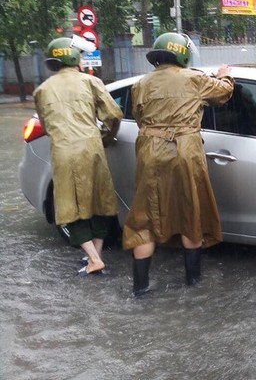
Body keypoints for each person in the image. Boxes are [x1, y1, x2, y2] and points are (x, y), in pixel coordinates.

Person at [122, 32, 234, 296]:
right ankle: (193, 285)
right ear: (182, 54)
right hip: (185, 151)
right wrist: (225, 74)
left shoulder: (140, 84)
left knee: (144, 219)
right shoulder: (195, 78)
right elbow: (225, 93)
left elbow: (139, 118)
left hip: (150, 151)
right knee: (190, 212)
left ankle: (140, 289)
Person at [33, 36, 123, 276]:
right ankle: (96, 257)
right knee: (99, 203)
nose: (83, 59)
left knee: (70, 207)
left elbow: (45, 124)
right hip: (92, 149)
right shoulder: (91, 82)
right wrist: (106, 137)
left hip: (63, 152)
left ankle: (94, 259)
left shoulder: (41, 91)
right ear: (73, 57)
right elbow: (113, 115)